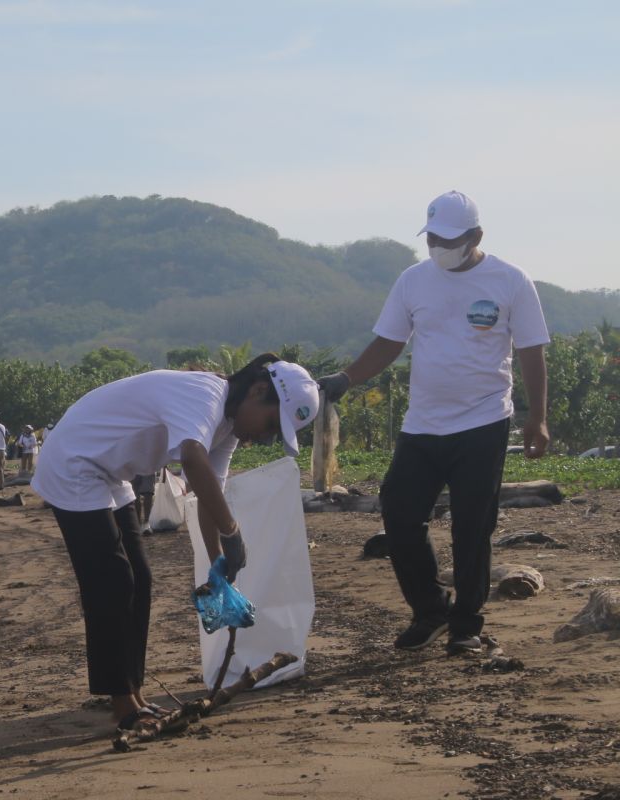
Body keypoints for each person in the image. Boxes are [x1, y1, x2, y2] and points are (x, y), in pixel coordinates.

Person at [31, 355, 319, 736]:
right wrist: (232, 534)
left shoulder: (228, 428)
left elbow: (205, 487)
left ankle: (133, 693)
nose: (265, 437)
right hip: (75, 462)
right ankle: (122, 705)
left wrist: (219, 565)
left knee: (141, 579)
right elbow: (192, 458)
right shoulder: (204, 393)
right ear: (258, 390)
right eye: (270, 424)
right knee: (113, 582)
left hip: (111, 472)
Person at [316, 190, 550, 656]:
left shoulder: (510, 280)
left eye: (447, 239)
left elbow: (531, 351)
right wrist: (346, 377)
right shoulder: (413, 281)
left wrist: (538, 418)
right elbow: (388, 342)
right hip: (422, 423)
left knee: (472, 526)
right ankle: (431, 611)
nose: (437, 247)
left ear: (475, 236)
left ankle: (466, 625)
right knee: (400, 513)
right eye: (432, 238)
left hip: (484, 420)